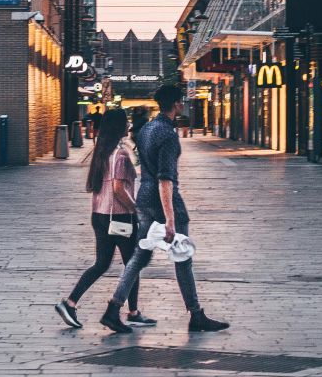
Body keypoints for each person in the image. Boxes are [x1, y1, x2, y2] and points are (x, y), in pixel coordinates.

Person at [100, 83, 228, 335]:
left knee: (139, 256)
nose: (182, 104)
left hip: (144, 199)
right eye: (181, 101)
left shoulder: (147, 129)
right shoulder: (168, 135)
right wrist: (170, 219)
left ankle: (113, 310)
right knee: (182, 257)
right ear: (177, 104)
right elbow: (165, 179)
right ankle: (196, 315)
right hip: (165, 202)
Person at [55, 108, 156, 330]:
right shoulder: (119, 154)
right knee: (133, 264)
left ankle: (70, 303)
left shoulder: (102, 150)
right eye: (125, 122)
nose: (128, 125)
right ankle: (132, 312)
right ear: (118, 127)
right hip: (119, 216)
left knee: (102, 263)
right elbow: (119, 188)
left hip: (99, 214)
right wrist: (136, 210)